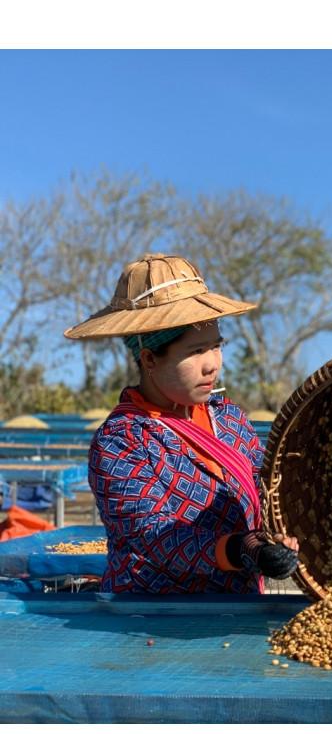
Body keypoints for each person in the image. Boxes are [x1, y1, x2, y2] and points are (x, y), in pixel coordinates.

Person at [64, 253, 299, 593]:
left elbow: (269, 487)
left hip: (239, 610)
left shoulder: (228, 418)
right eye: (196, 351)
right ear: (149, 359)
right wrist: (242, 548)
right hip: (152, 619)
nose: (212, 365)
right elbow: (155, 536)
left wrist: (282, 532)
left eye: (217, 347)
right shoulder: (121, 441)